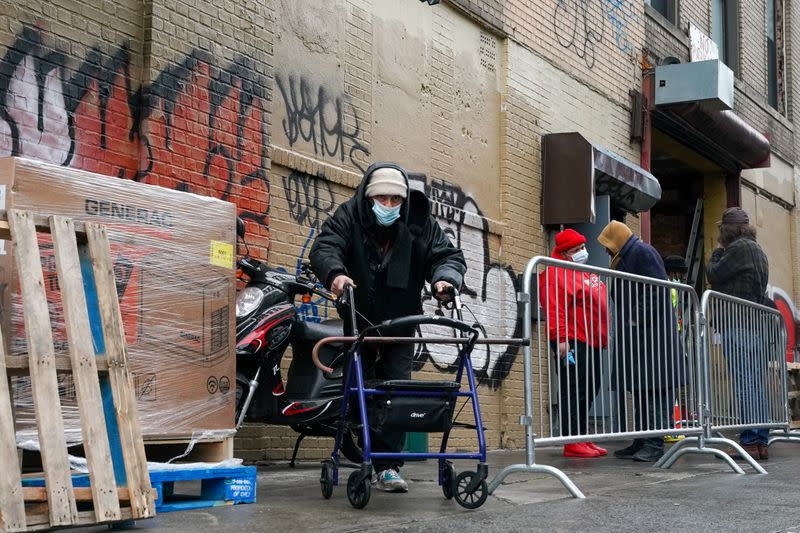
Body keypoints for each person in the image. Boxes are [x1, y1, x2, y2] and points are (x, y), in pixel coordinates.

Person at [309, 162, 467, 492]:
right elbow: (326, 246)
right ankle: (362, 448)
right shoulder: (349, 215)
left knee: (396, 391)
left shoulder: (419, 220)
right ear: (369, 197)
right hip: (360, 319)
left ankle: (388, 467)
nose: (390, 206)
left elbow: (446, 255)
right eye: (383, 198)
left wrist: (444, 279)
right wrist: (335, 273)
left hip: (401, 321)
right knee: (363, 391)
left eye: (396, 200)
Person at [598, 221, 685, 462]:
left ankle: (654, 443)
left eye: (607, 244)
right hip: (643, 338)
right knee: (641, 388)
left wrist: (636, 318)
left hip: (652, 337)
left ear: (618, 239)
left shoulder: (642, 252)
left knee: (655, 389)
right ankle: (642, 439)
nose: (606, 250)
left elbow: (657, 289)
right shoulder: (629, 254)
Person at [706, 207, 770, 460]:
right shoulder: (758, 250)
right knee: (755, 384)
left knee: (745, 384)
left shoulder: (737, 248)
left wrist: (718, 250)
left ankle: (750, 441)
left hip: (737, 324)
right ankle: (760, 441)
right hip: (753, 326)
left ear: (726, 230)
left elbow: (713, 273)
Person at [539, 229, 609, 458]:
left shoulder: (580, 270)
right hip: (571, 341)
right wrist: (561, 340)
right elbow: (554, 308)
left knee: (591, 386)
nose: (581, 252)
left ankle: (581, 436)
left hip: (591, 341)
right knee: (574, 388)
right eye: (576, 250)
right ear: (564, 252)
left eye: (582, 247)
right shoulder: (555, 273)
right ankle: (571, 440)